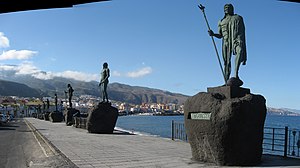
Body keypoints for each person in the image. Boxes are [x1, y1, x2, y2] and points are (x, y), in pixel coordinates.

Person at [208, 4, 247, 83]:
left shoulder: (238, 18)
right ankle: (226, 81)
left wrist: (241, 41)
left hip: (236, 40)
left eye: (228, 7)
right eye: (225, 8)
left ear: (232, 9)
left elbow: (242, 32)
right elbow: (220, 35)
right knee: (226, 62)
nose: (226, 8)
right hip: (226, 42)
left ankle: (236, 74)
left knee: (239, 50)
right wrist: (213, 34)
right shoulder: (221, 21)